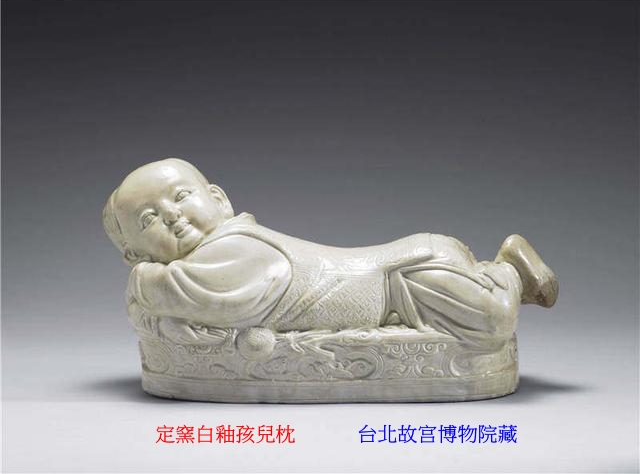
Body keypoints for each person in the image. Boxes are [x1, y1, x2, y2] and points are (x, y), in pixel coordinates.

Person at [103, 158, 558, 348]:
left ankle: (512, 271)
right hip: (399, 278)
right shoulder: (211, 253)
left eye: (182, 196)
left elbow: (194, 292)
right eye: (148, 219)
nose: (172, 215)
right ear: (135, 252)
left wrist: (142, 281)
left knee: (493, 322)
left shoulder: (238, 249)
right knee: (485, 316)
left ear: (219, 200)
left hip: (401, 279)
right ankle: (489, 273)